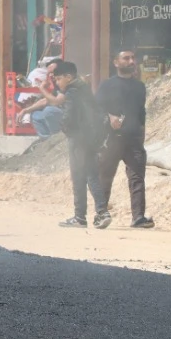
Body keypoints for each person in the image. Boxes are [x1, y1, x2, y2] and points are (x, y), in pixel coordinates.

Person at [96, 49, 154, 229]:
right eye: (126, 58)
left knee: (137, 178)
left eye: (133, 58)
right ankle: (101, 214)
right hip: (111, 139)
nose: (131, 61)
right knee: (105, 177)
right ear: (116, 62)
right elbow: (95, 109)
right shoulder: (107, 85)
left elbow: (141, 112)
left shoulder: (139, 86)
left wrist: (141, 134)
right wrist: (109, 117)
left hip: (133, 140)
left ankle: (138, 217)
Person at [50, 61, 110, 229]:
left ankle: (80, 217)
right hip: (91, 138)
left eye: (58, 79)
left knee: (78, 177)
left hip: (78, 139)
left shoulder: (72, 92)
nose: (57, 82)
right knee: (92, 175)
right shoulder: (85, 89)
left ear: (68, 77)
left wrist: (65, 128)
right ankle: (101, 212)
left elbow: (68, 116)